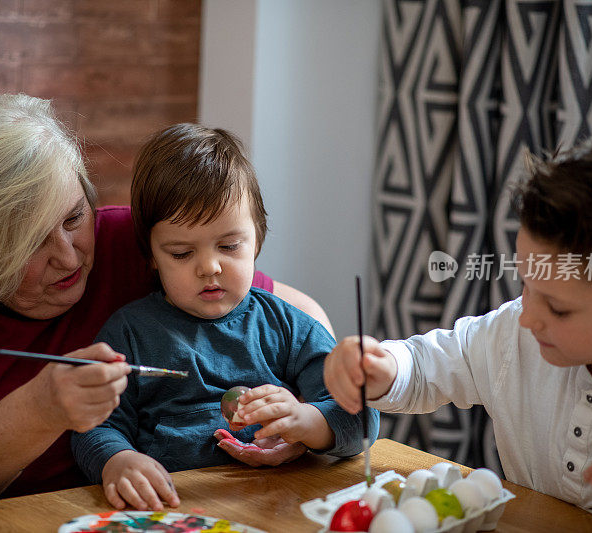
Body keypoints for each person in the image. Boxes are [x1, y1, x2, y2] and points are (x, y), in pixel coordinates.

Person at [0, 94, 333, 517]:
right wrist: (39, 410)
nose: (68, 255)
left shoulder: (134, 244)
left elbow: (299, 316)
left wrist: (298, 424)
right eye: (29, 243)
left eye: (74, 216)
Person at [324, 124, 592, 531]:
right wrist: (385, 366)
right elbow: (429, 365)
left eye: (559, 309)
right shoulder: (513, 334)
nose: (528, 317)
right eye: (526, 286)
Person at [71, 123, 379, 512]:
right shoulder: (129, 332)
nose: (210, 267)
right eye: (181, 253)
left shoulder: (287, 326)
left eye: (230, 246)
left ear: (257, 240)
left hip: (279, 506)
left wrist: (306, 421)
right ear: (150, 255)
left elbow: (361, 416)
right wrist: (117, 461)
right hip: (175, 507)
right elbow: (93, 428)